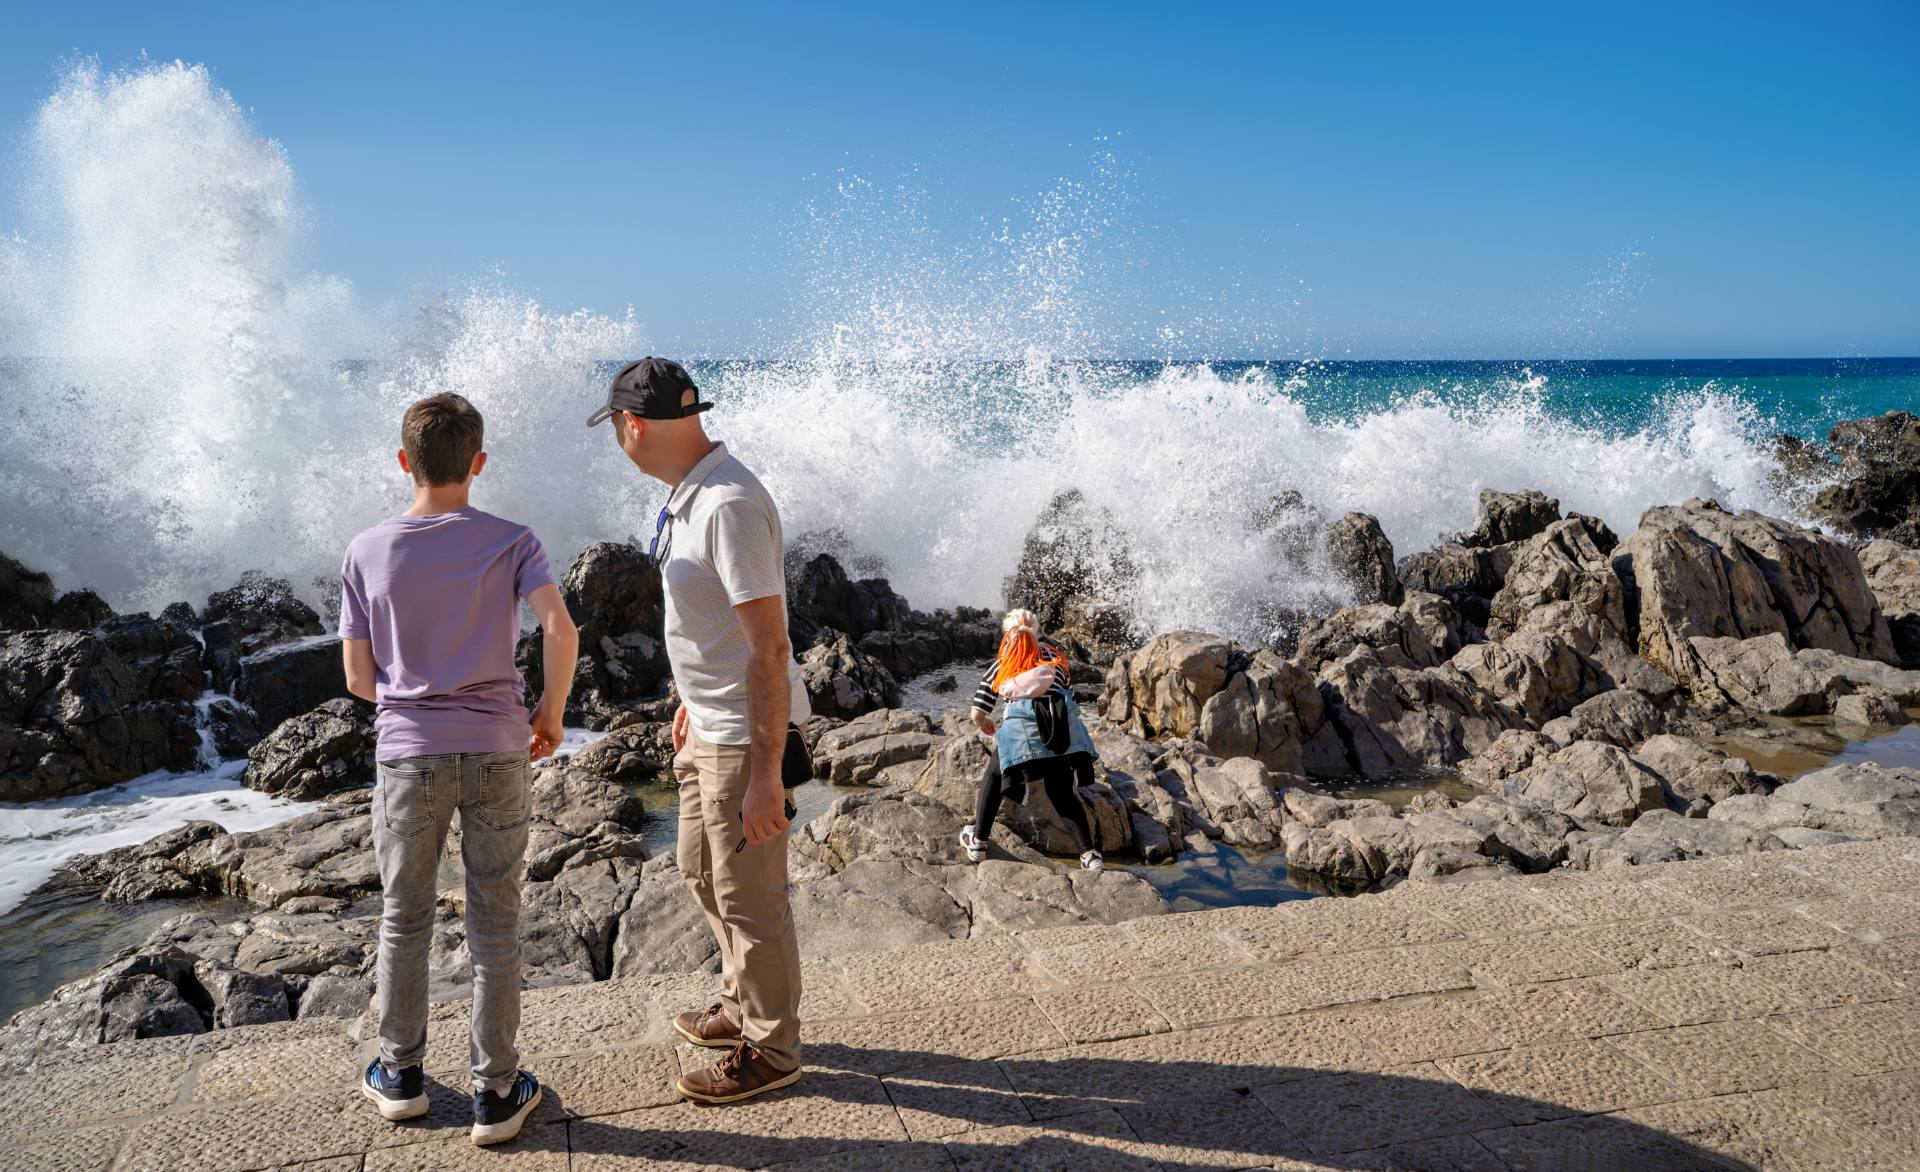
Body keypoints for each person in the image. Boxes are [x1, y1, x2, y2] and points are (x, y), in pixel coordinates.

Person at [342, 392, 579, 1146]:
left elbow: (357, 678)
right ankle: (496, 1092)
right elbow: (560, 627)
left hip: (408, 753)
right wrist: (547, 712)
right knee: (495, 921)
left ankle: (401, 1076)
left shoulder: (366, 550)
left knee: (403, 916)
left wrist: (418, 702)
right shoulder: (511, 541)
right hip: (498, 747)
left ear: (404, 462)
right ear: (478, 465)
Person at [589, 357, 811, 1104]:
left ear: (633, 425)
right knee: (698, 870)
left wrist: (764, 772)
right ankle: (742, 1001)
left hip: (742, 738)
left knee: (751, 898)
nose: (618, 439)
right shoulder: (692, 496)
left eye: (615, 428)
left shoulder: (727, 505)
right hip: (706, 721)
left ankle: (772, 1047)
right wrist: (688, 696)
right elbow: (709, 621)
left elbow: (771, 646)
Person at [960, 609, 1104, 872]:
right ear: (1036, 631)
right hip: (1063, 740)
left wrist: (985, 723)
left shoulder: (1003, 662)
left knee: (994, 777)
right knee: (1061, 791)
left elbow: (976, 713)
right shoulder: (1055, 659)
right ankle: (1090, 854)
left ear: (1007, 634)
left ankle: (978, 841)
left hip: (1024, 742)